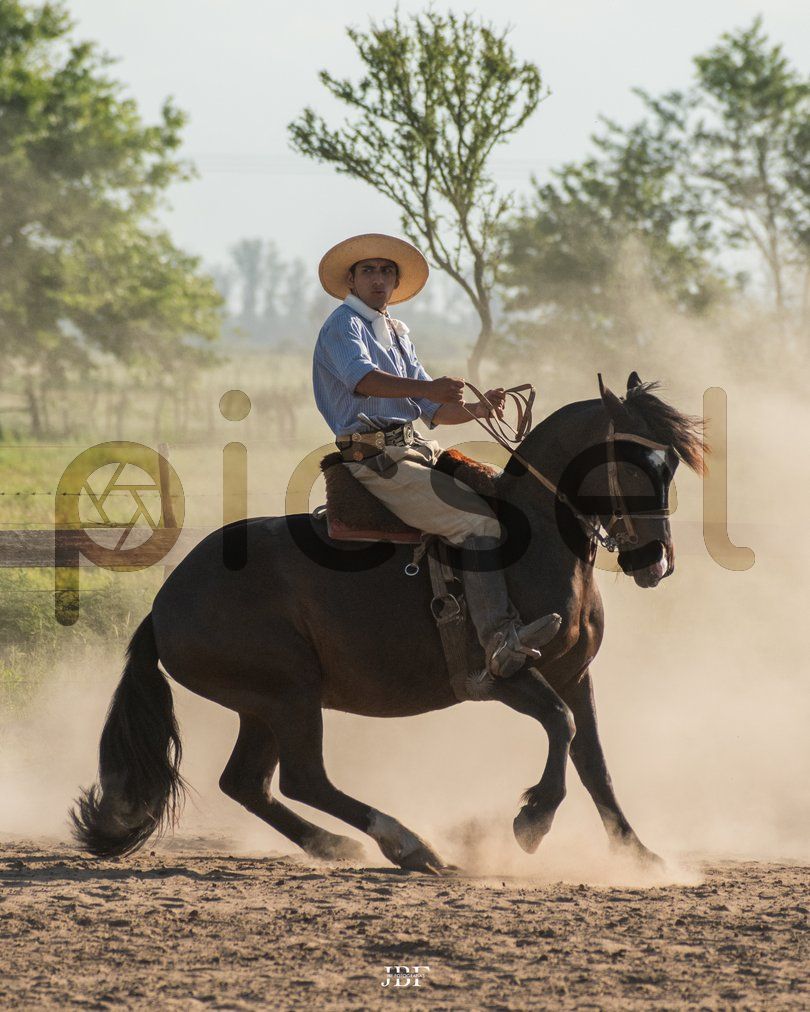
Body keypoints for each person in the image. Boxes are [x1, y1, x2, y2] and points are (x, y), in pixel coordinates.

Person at [312, 233, 560, 679]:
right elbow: (362, 380)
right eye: (368, 271)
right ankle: (497, 638)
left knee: (503, 494)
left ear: (394, 282)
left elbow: (432, 411)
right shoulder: (342, 326)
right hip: (375, 459)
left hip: (415, 448)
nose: (378, 279)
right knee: (477, 524)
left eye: (386, 271)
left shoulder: (395, 332)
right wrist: (429, 388)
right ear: (351, 280)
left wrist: (478, 409)